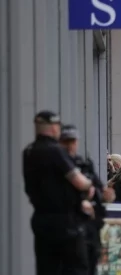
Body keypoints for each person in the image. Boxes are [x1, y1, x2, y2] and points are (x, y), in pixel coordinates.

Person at [23, 111, 94, 275]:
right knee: (76, 268)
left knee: (47, 268)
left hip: (40, 218)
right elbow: (79, 181)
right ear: (54, 128)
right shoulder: (55, 151)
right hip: (64, 221)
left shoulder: (29, 151)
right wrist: (89, 184)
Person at [59, 124, 115, 275]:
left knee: (91, 266)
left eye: (72, 141)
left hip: (91, 228)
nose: (70, 146)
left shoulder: (83, 164)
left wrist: (105, 194)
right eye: (66, 142)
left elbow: (100, 189)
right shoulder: (58, 166)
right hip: (71, 229)